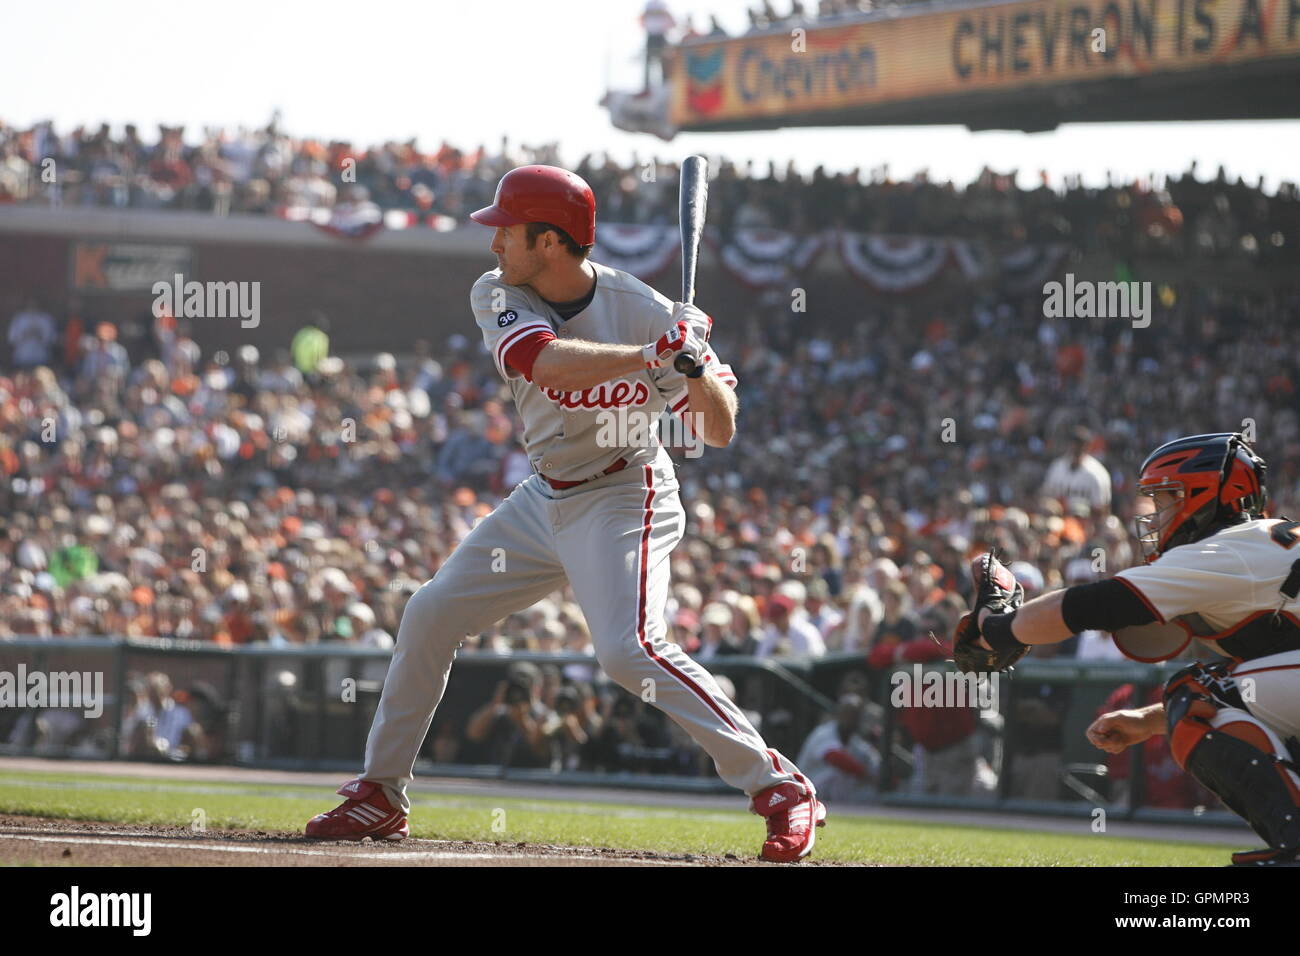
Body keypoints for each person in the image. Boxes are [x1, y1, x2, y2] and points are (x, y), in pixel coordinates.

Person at [306, 164, 826, 862]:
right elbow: (544, 362)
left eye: (508, 231)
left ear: (550, 242)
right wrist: (652, 355)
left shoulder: (643, 305)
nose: (495, 244)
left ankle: (781, 789)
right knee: (430, 613)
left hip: (623, 492)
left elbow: (720, 431)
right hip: (542, 495)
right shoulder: (499, 291)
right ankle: (381, 794)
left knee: (627, 650)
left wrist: (696, 365)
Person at [966, 433, 1300, 865]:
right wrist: (1149, 721)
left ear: (1204, 494)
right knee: (1209, 692)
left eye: (1166, 498)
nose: (1155, 513)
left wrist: (996, 629)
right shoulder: (1260, 544)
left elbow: (1094, 604)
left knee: (1194, 692)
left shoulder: (1224, 550)